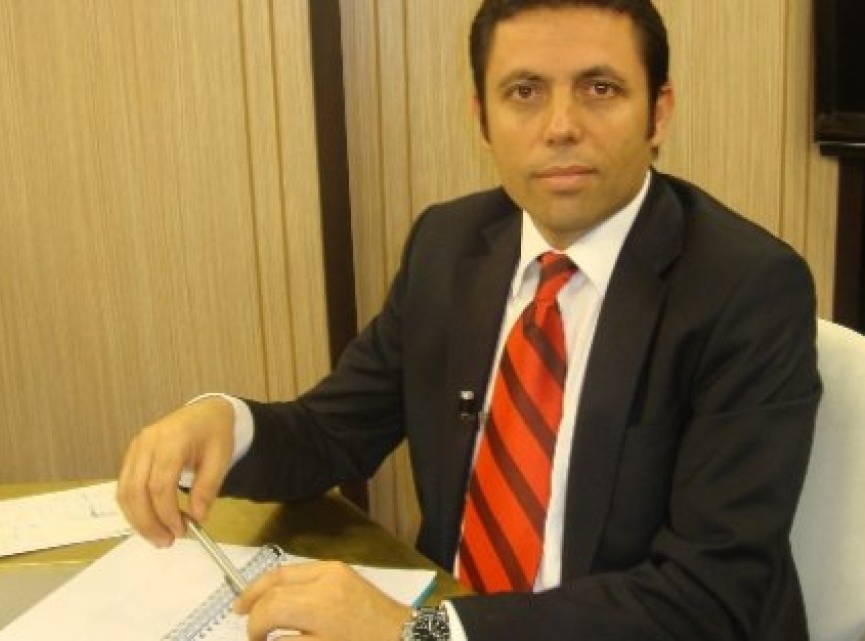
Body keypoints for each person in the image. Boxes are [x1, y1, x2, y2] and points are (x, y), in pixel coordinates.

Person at [117, 1, 821, 639]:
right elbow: (333, 432)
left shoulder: (747, 289)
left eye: (600, 89)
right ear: (481, 118)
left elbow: (710, 595)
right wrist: (225, 422)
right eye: (525, 92)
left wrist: (420, 632)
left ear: (658, 113)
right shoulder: (448, 245)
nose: (561, 126)